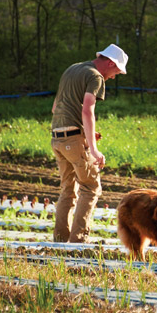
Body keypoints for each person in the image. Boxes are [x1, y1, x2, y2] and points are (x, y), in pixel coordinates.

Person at [50, 43, 128, 243]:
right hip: (73, 139)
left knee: (68, 189)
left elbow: (55, 107)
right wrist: (93, 149)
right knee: (90, 187)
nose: (113, 77)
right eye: (116, 72)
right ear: (110, 63)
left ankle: (60, 242)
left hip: (57, 137)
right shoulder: (95, 76)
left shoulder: (72, 69)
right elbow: (87, 110)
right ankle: (78, 242)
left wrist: (86, 135)